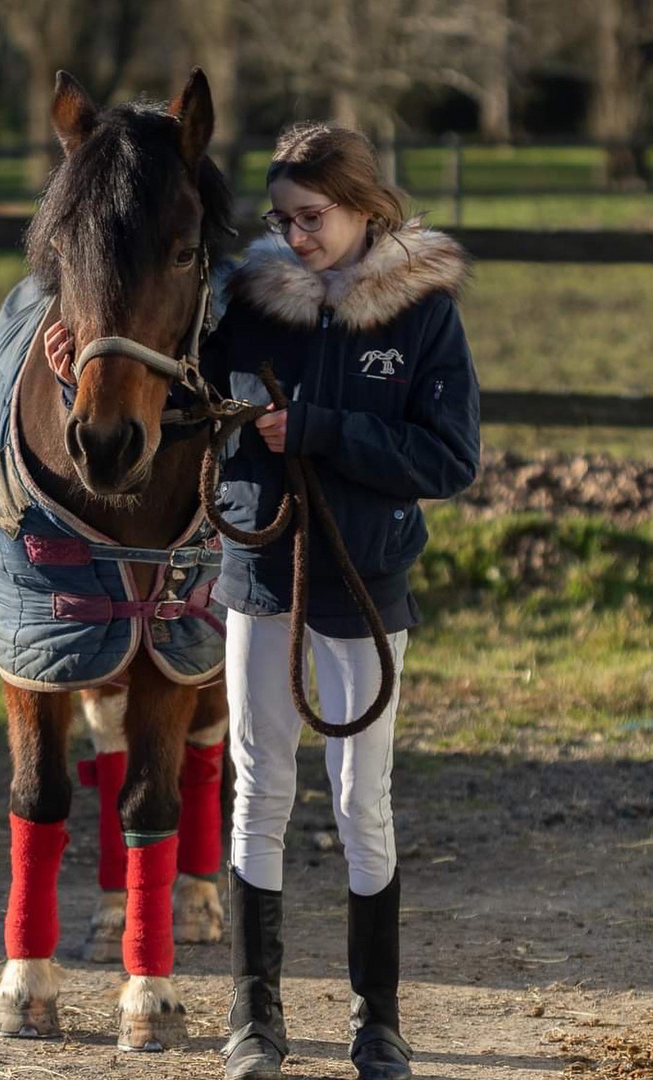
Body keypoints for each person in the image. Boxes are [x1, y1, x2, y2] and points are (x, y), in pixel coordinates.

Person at [200, 123, 480, 1080]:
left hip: (364, 577)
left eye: (312, 217)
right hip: (263, 569)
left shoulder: (421, 313)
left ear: (365, 206)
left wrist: (321, 430)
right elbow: (178, 394)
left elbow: (449, 457)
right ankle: (254, 1018)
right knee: (258, 785)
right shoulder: (245, 302)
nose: (296, 235)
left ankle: (379, 1019)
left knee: (365, 800)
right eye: (282, 219)